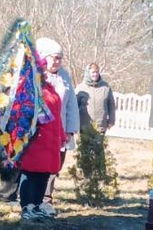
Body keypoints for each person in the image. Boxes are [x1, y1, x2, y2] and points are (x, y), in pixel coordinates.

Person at [33, 38, 79, 218]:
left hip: (60, 129)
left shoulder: (64, 76)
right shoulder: (36, 75)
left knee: (55, 165)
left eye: (60, 58)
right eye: (55, 57)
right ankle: (35, 200)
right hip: (41, 130)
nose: (58, 61)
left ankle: (46, 199)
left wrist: (70, 128)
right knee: (39, 165)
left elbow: (71, 104)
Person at [17, 51, 64, 222]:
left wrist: (61, 134)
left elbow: (56, 114)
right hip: (36, 141)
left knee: (43, 174)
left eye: (44, 70)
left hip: (50, 140)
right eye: (41, 69)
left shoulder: (48, 88)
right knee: (30, 173)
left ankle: (36, 204)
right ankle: (26, 205)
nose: (44, 72)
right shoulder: (29, 88)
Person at [75, 63, 116, 135]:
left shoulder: (105, 87)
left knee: (98, 146)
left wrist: (111, 121)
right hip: (84, 126)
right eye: (93, 72)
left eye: (97, 72)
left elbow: (111, 105)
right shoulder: (80, 88)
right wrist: (74, 123)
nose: (95, 74)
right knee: (85, 146)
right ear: (88, 73)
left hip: (100, 126)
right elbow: (74, 107)